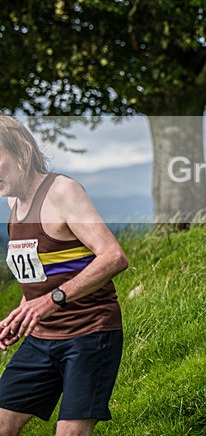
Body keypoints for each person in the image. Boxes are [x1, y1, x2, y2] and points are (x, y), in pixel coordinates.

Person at [0, 116, 128, 436]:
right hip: (41, 339)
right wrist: (23, 315)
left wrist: (51, 301)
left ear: (22, 152)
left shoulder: (62, 191)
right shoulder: (13, 200)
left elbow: (113, 256)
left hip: (90, 334)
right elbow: (40, 272)